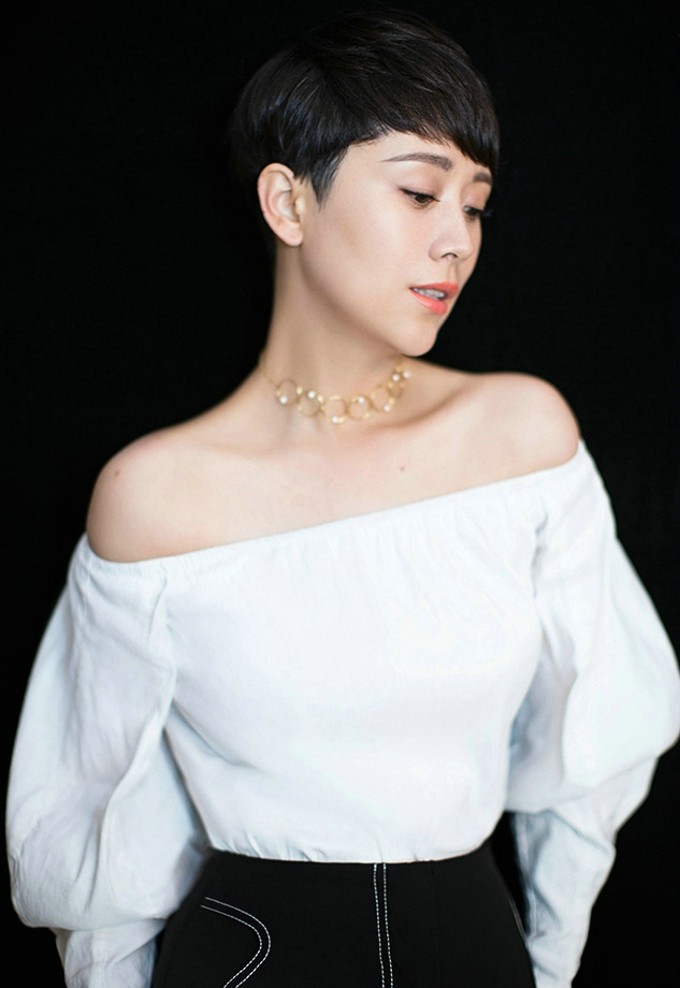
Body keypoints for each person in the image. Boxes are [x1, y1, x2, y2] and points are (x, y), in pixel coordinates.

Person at [6, 8, 680, 987]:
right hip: (246, 961)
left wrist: (546, 965)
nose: (456, 241)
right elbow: (98, 835)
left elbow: (593, 750)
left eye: (475, 206)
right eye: (418, 192)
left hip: (475, 955)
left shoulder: (519, 438)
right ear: (287, 202)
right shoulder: (155, 497)